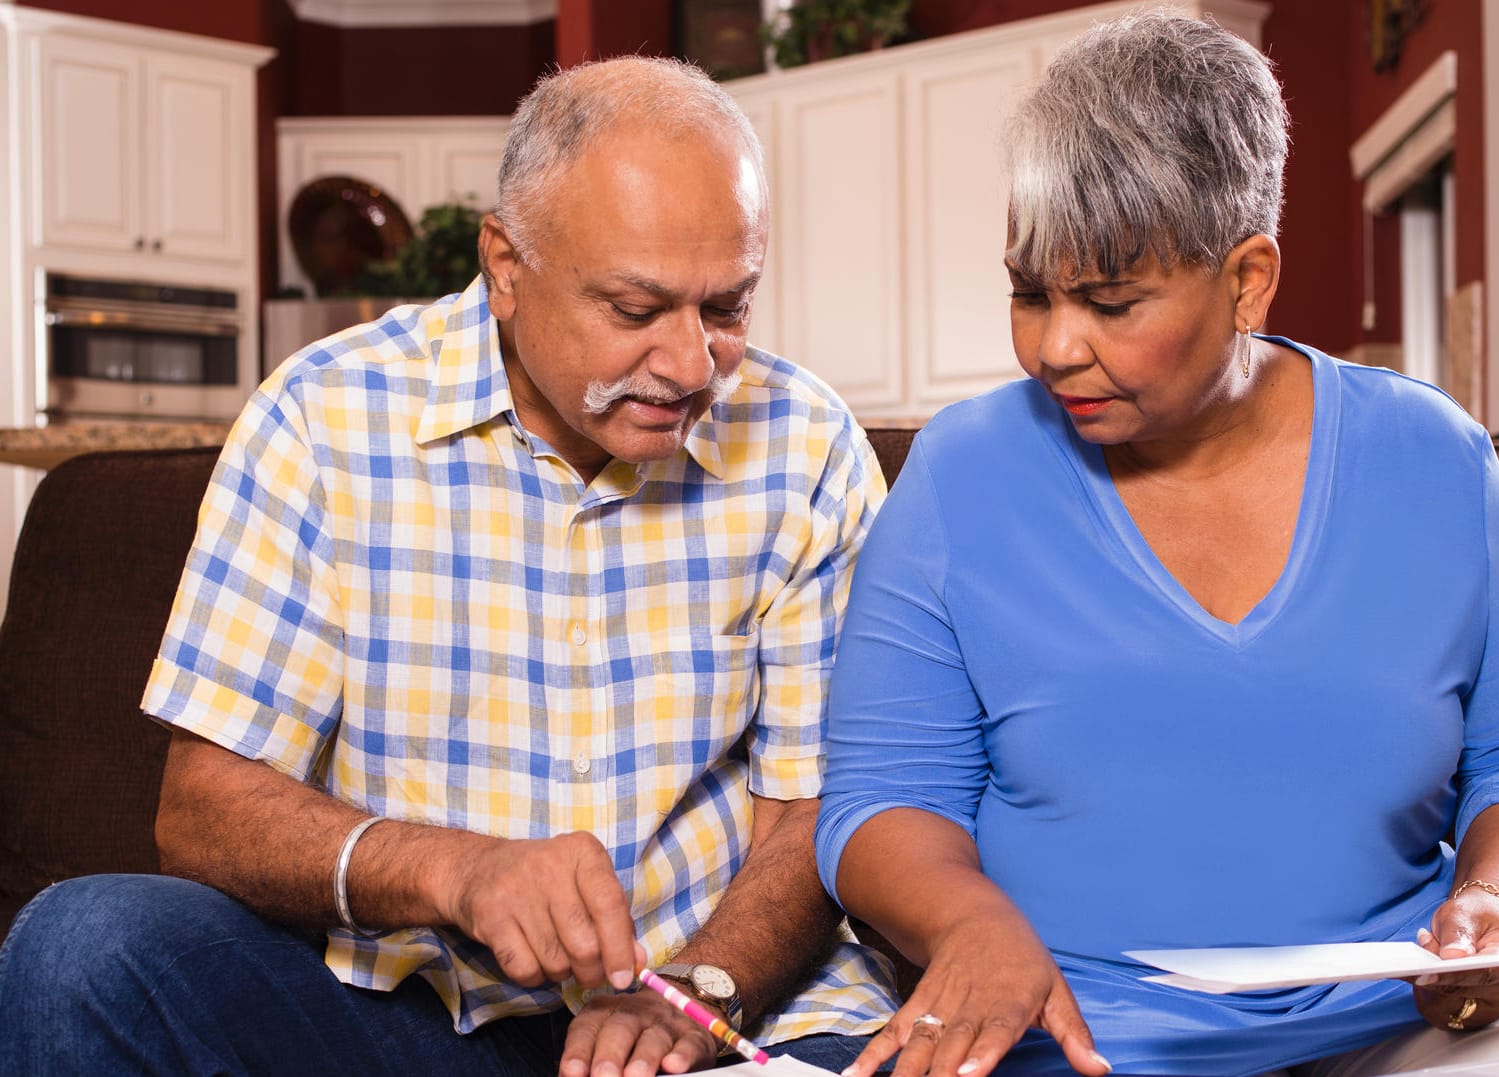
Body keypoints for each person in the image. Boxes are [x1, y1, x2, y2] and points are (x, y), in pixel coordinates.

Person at [0, 56, 899, 1075]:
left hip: (729, 1012)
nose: (692, 364)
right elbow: (204, 808)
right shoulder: (322, 419)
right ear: (507, 266)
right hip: (406, 1015)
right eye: (636, 310)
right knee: (84, 945)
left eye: (726, 307)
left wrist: (691, 998)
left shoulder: (804, 445)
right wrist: (451, 872)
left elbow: (814, 812)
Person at [811, 13, 1499, 1077]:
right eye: (1029, 293)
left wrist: (1487, 903)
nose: (1055, 346)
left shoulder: (1432, 459)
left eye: (1109, 301)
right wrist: (967, 928)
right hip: (1078, 1029)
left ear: (1246, 279)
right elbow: (881, 802)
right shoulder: (962, 476)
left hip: (1408, 1012)